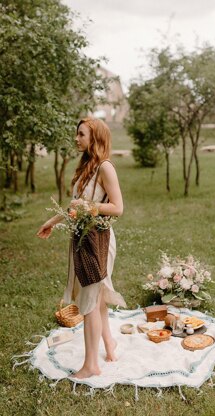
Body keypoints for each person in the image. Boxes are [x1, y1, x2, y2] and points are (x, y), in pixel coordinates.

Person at [37, 117, 126, 379]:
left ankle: (91, 366)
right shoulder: (87, 165)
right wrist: (52, 221)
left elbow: (118, 208)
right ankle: (109, 345)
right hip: (82, 239)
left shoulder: (105, 168)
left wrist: (88, 207)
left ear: (95, 138)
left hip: (98, 241)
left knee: (89, 301)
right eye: (77, 134)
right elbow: (75, 205)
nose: (76, 139)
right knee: (95, 299)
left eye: (81, 134)